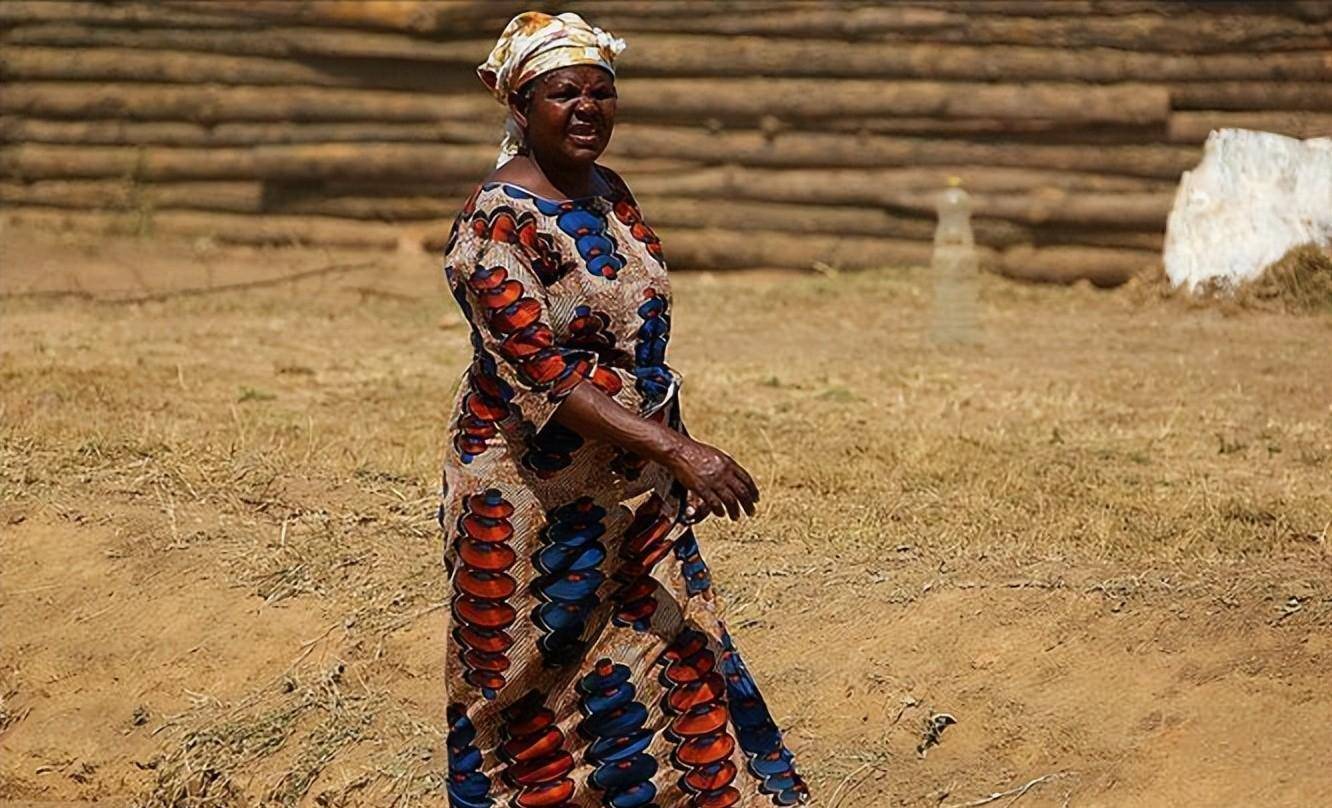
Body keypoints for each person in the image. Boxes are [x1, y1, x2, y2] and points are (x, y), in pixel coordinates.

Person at [438, 12, 810, 807]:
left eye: (600, 93)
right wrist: (684, 453)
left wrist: (666, 453)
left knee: (677, 656)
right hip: (530, 499)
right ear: (520, 106)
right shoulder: (494, 223)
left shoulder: (610, 194)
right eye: (563, 93)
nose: (586, 109)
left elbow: (640, 338)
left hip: (635, 493)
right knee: (522, 688)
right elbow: (546, 375)